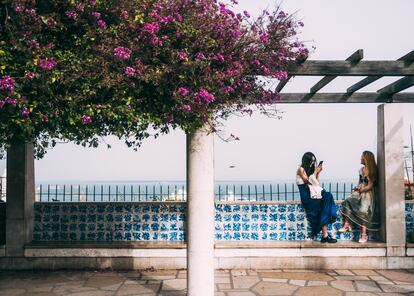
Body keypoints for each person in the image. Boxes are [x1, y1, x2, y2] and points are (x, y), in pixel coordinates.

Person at [338, 151, 380, 243]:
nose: (360, 158)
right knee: (348, 201)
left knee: (363, 211)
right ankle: (346, 224)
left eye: (362, 157)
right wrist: (357, 188)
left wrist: (361, 190)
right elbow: (360, 182)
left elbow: (370, 186)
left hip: (368, 194)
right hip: (360, 191)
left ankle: (363, 235)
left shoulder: (371, 170)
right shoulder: (361, 169)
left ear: (366, 159)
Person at [296, 152, 338, 243]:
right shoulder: (301, 169)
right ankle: (325, 235)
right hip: (307, 197)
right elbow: (308, 182)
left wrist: (318, 173)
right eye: (311, 161)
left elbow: (316, 183)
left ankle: (325, 236)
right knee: (327, 198)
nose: (313, 163)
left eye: (314, 161)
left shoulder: (309, 170)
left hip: (313, 195)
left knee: (328, 196)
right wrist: (315, 172)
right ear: (307, 160)